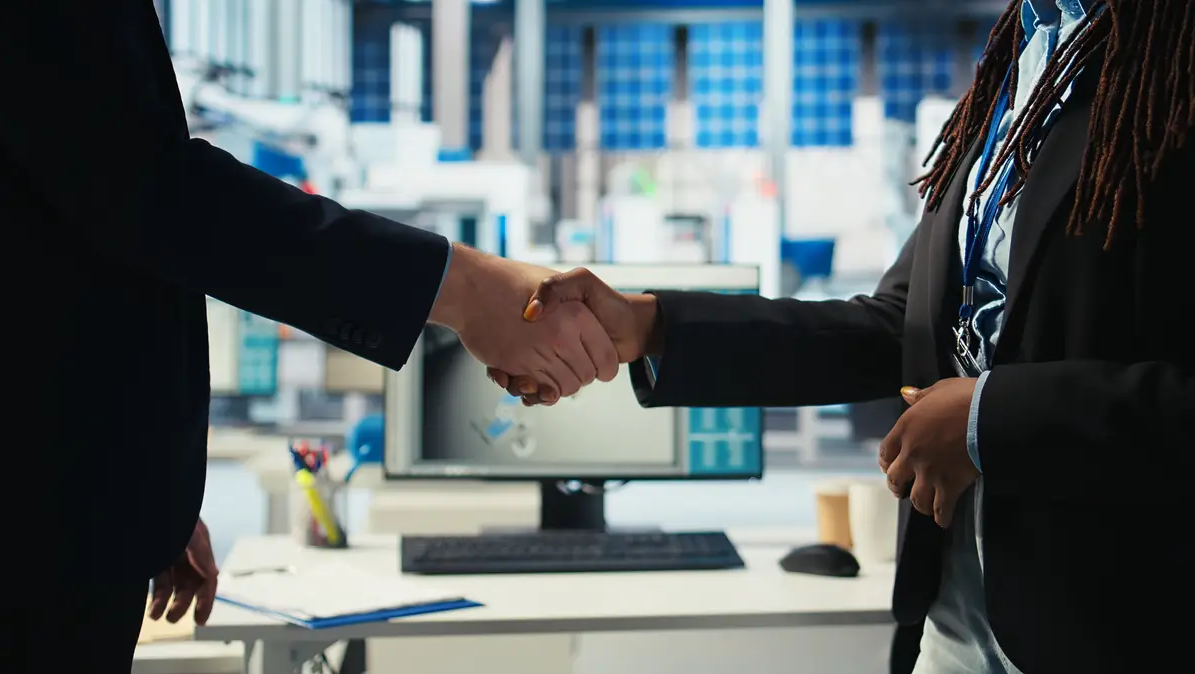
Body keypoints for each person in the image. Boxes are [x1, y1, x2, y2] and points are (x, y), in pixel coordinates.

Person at [494, 0, 1194, 671]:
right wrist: (649, 326)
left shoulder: (1171, 61)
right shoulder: (1026, 59)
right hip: (957, 617)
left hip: (1119, 627)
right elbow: (897, 329)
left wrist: (989, 418)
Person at [0, 2, 615, 669]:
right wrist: (463, 287)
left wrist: (153, 492)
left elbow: (88, 225)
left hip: (70, 509)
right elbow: (148, 188)